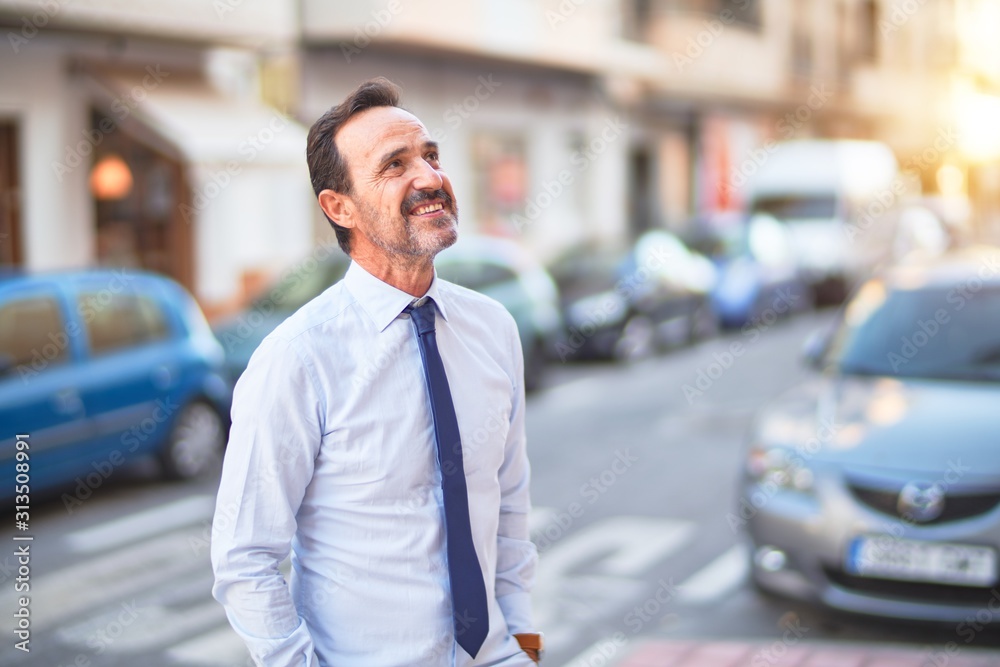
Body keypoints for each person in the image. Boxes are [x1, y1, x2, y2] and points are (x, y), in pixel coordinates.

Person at [211, 77, 542, 666]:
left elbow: (509, 506)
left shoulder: (493, 328)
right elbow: (244, 558)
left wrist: (525, 640)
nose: (430, 178)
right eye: (395, 165)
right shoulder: (297, 358)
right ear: (340, 208)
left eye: (431, 156)